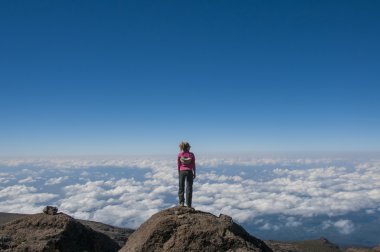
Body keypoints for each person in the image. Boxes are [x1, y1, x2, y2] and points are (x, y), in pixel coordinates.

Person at [177, 141, 196, 208]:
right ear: (187, 147)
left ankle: (181, 203)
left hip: (182, 172)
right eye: (189, 146)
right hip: (189, 172)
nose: (190, 147)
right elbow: (193, 164)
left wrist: (179, 173)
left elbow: (178, 165)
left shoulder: (180, 155)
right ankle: (188, 205)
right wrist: (194, 172)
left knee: (181, 187)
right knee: (189, 188)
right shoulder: (191, 155)